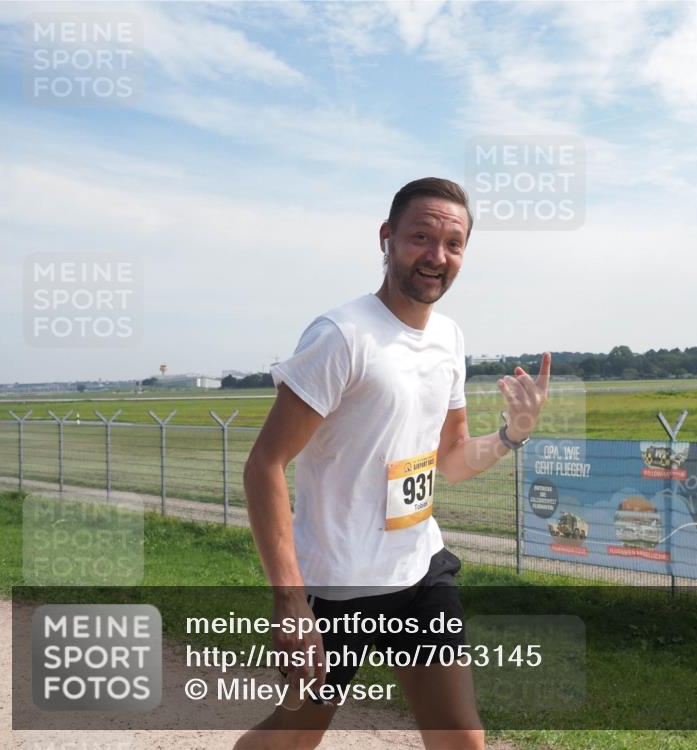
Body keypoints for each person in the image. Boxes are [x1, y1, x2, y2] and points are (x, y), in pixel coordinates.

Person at [234, 177, 551, 750]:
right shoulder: (342, 337)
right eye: (421, 237)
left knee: (461, 740)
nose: (437, 257)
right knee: (291, 738)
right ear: (387, 238)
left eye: (453, 244)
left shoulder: (450, 338)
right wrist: (289, 601)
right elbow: (265, 465)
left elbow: (450, 461)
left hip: (419, 570)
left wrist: (512, 434)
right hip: (336, 588)